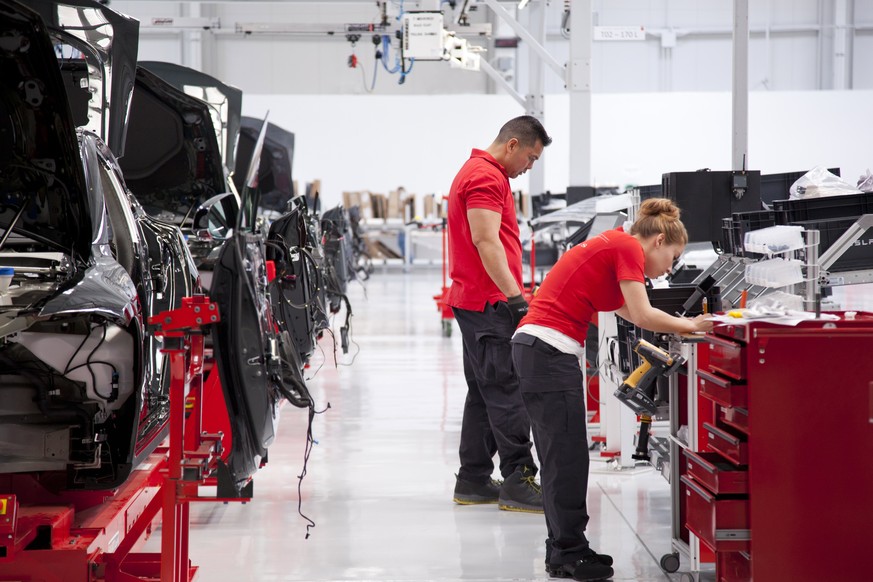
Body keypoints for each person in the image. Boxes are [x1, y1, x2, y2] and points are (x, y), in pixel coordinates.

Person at [510, 198, 714, 581]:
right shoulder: (626, 248)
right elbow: (641, 314)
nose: (670, 267)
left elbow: (624, 307)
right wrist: (694, 326)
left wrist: (674, 322)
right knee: (567, 460)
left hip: (540, 350)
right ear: (656, 242)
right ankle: (569, 553)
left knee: (562, 458)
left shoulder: (614, 243)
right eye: (672, 257)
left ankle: (564, 550)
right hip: (547, 352)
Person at [446, 115, 552, 513]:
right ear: (512, 145)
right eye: (531, 157)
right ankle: (518, 479)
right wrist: (516, 299)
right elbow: (485, 240)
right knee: (507, 390)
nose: (529, 167)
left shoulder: (480, 172)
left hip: (475, 300)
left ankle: (472, 478)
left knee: (484, 390)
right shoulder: (486, 177)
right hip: (489, 302)